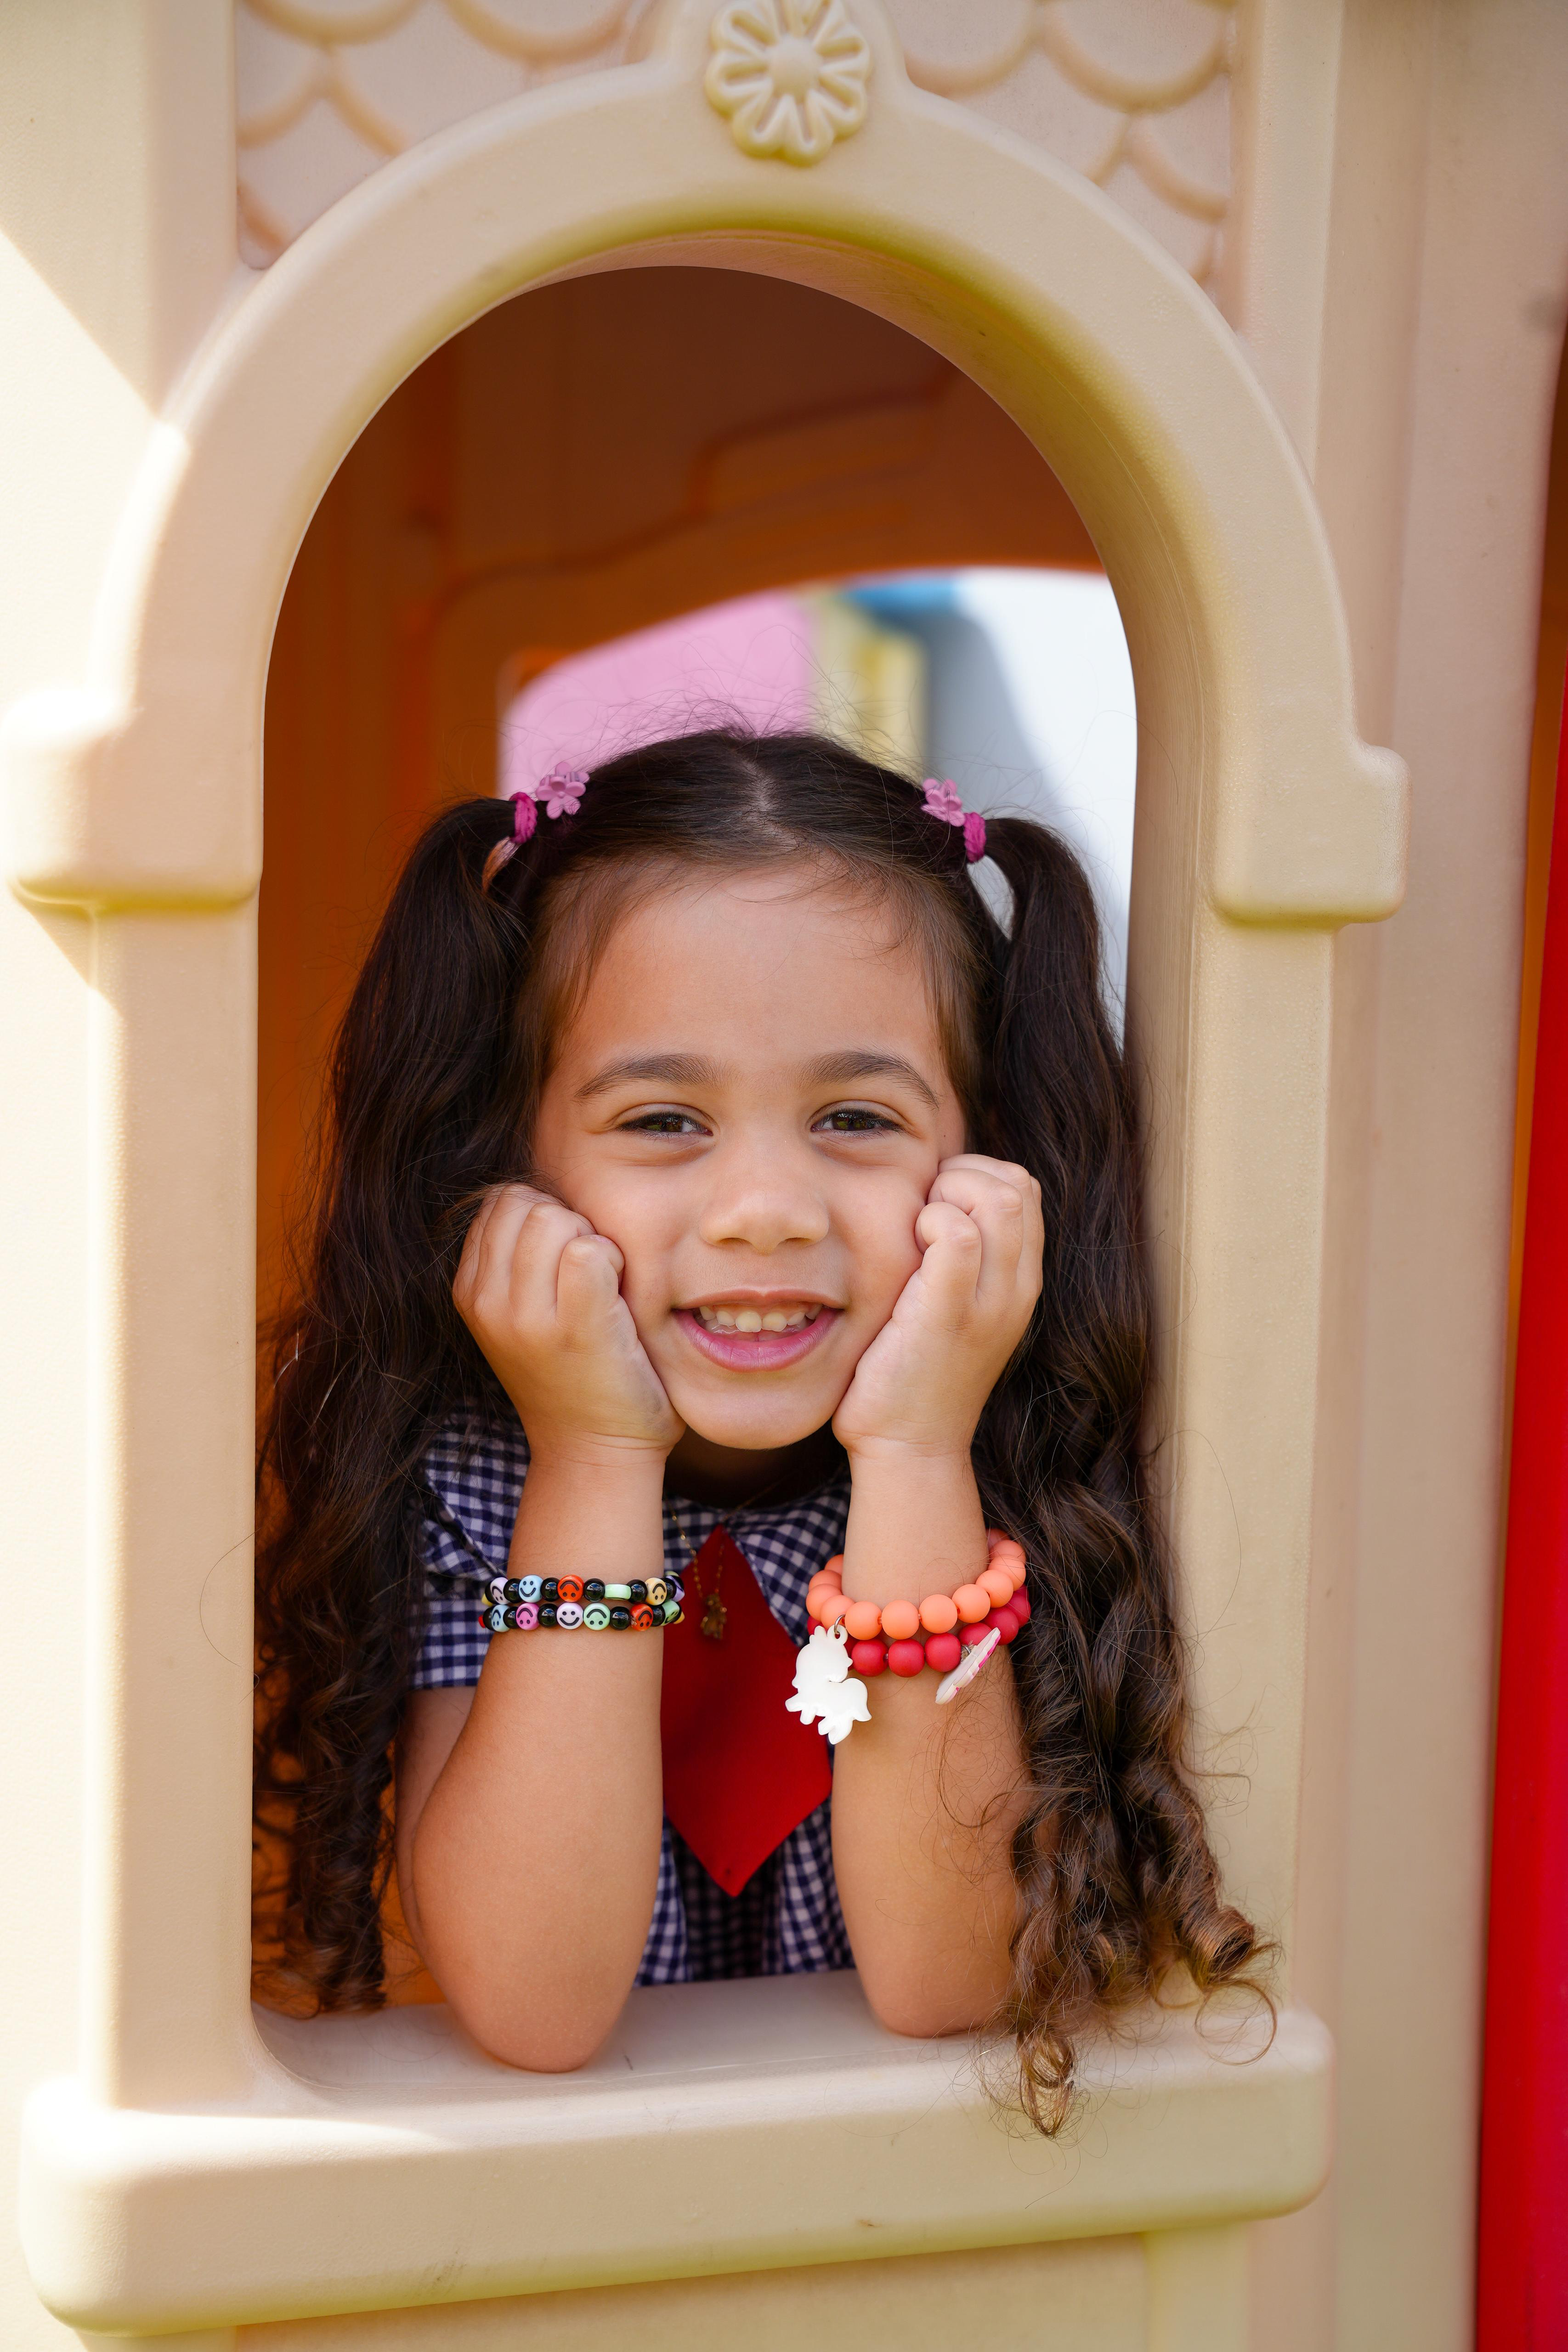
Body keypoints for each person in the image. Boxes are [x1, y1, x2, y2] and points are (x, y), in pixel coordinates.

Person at [256, 729, 1264, 2131]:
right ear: (512, 1165)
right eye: (663, 1120)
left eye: (854, 1116)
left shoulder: (1023, 1458)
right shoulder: (475, 1479)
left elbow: (946, 1984)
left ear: (985, 1154)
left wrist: (915, 1453)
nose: (765, 1208)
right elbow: (538, 2010)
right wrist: (595, 1459)